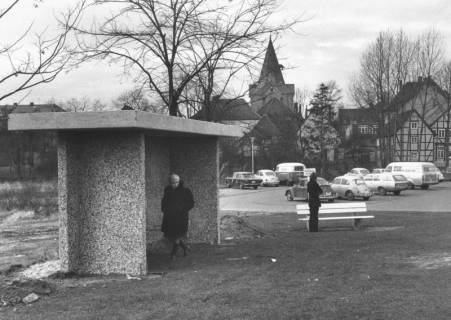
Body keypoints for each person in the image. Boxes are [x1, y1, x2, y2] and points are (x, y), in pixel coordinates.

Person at [161, 173, 195, 260]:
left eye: (176, 182)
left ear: (179, 182)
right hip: (169, 217)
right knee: (171, 236)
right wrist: (164, 209)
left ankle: (173, 254)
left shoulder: (185, 191)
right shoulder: (167, 190)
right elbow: (164, 201)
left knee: (177, 236)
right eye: (172, 182)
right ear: (170, 182)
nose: (174, 184)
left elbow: (191, 203)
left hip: (181, 218)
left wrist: (182, 208)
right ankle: (185, 248)